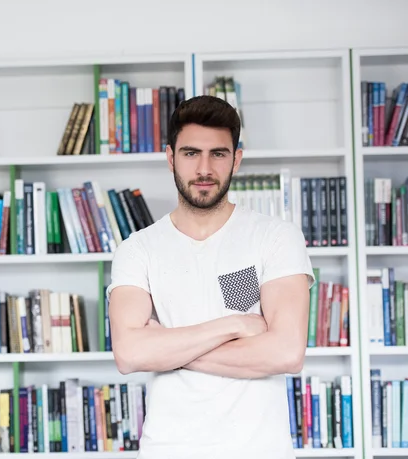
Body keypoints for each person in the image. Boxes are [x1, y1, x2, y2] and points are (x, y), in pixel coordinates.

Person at [106, 95, 315, 459]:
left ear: (236, 159)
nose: (204, 168)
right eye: (190, 153)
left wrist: (166, 348)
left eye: (218, 154)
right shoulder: (137, 249)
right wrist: (234, 325)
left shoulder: (276, 237)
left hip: (260, 451)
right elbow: (129, 354)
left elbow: (286, 353)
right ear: (171, 158)